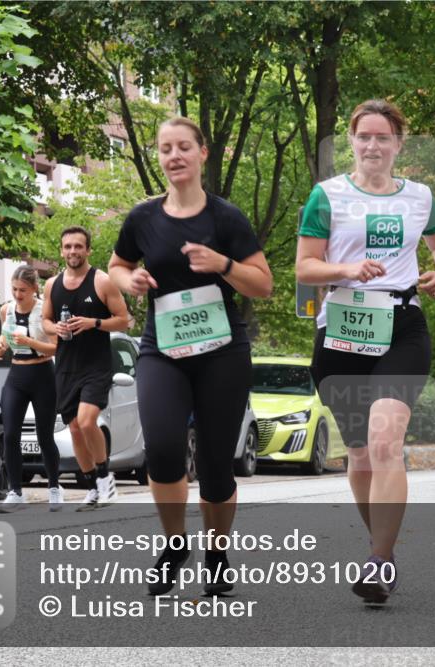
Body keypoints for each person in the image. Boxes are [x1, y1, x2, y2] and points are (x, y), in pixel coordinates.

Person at [296, 99, 435, 604]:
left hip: (401, 326)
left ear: (398, 144)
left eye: (382, 137)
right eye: (363, 136)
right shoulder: (327, 196)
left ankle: (380, 561)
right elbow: (304, 267)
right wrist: (346, 269)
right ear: (351, 141)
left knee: (386, 442)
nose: (372, 145)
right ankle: (378, 546)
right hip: (342, 329)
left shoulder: (419, 197)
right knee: (361, 455)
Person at [109, 116, 272, 596]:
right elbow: (117, 265)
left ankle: (217, 553)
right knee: (162, 449)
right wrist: (129, 280)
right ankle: (175, 544)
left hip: (222, 352)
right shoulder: (143, 218)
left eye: (183, 147)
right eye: (166, 149)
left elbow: (263, 284)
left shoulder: (226, 218)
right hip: (163, 349)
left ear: (202, 153)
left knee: (217, 465)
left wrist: (223, 264)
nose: (174, 156)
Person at [43, 226, 131, 510]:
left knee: (86, 421)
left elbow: (124, 320)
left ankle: (105, 478)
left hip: (96, 366)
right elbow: (45, 321)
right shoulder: (52, 285)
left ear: (88, 250)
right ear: (61, 251)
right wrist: (55, 328)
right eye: (68, 246)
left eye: (78, 246)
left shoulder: (102, 281)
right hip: (66, 367)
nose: (73, 251)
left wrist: (94, 323)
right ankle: (92, 486)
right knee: (74, 429)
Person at [0, 266, 62, 512]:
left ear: (34, 289)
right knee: (10, 434)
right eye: (14, 289)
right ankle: (15, 492)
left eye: (23, 290)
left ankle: (54, 487)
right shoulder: (6, 310)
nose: (17, 294)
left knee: (45, 436)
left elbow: (56, 346)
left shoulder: (45, 311)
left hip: (43, 374)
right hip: (16, 376)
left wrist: (30, 342)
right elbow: (5, 337)